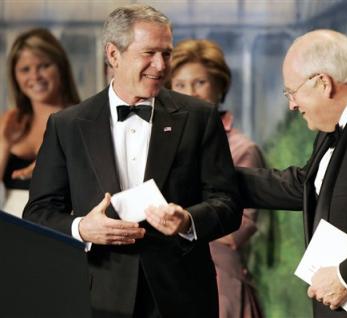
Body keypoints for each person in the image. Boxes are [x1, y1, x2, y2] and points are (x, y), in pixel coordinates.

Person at [23, 4, 241, 318]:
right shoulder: (67, 125)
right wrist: (82, 228)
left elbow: (228, 202)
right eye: (149, 53)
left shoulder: (199, 117)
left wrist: (188, 221)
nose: (161, 65)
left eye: (166, 53)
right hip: (98, 294)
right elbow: (38, 212)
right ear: (113, 55)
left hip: (182, 295)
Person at [236, 29, 347, 318]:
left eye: (291, 91)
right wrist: (215, 175)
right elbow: (308, 184)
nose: (291, 104)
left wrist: (346, 277)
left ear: (323, 83)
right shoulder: (341, 122)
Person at [169, 39, 265, 318]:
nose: (190, 93)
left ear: (219, 86)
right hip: (170, 278)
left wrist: (181, 219)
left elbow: (239, 229)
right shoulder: (159, 145)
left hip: (220, 281)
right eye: (180, 84)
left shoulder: (242, 148)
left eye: (199, 82)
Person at [0, 28, 80, 217]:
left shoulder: (83, 120)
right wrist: (4, 144)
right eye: (25, 69)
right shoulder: (10, 121)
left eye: (44, 66)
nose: (35, 76)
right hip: (9, 234)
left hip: (57, 234)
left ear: (60, 67)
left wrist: (53, 168)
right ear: (14, 75)